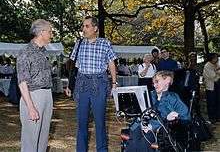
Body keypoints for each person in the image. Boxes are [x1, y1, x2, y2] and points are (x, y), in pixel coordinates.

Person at [65, 16, 117, 152]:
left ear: (95, 28)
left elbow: (111, 64)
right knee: (82, 123)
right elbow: (73, 66)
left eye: (87, 26)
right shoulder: (79, 43)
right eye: (83, 26)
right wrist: (70, 85)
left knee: (100, 122)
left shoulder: (105, 43)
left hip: (99, 83)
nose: (83, 29)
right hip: (82, 84)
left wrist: (114, 83)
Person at [125, 71, 190, 152]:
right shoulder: (149, 95)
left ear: (167, 81)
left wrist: (173, 117)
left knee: (142, 143)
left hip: (158, 130)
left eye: (157, 82)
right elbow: (140, 112)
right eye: (153, 83)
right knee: (133, 141)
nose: (154, 85)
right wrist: (142, 123)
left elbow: (186, 116)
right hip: (141, 125)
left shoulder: (173, 98)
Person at [16, 19, 53, 152]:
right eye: (49, 31)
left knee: (43, 138)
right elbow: (22, 82)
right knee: (30, 139)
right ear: (41, 32)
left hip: (47, 95)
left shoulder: (44, 52)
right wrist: (30, 107)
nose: (51, 34)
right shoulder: (25, 52)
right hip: (33, 96)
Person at [203, 53, 220, 123]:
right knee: (211, 102)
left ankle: (218, 116)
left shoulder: (216, 64)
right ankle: (212, 117)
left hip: (217, 85)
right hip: (210, 87)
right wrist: (217, 72)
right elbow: (213, 77)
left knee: (218, 101)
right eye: (215, 58)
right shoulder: (207, 66)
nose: (217, 59)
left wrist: (217, 72)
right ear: (211, 59)